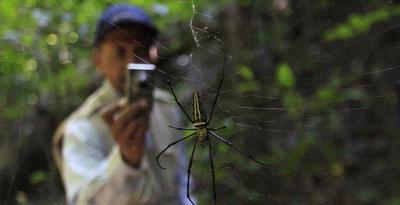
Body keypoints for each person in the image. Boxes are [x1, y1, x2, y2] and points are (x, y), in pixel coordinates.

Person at [52, 4, 192, 205]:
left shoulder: (167, 107)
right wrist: (126, 161)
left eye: (141, 50)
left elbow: (182, 184)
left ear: (154, 54)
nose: (131, 62)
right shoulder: (81, 127)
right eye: (119, 52)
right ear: (98, 59)